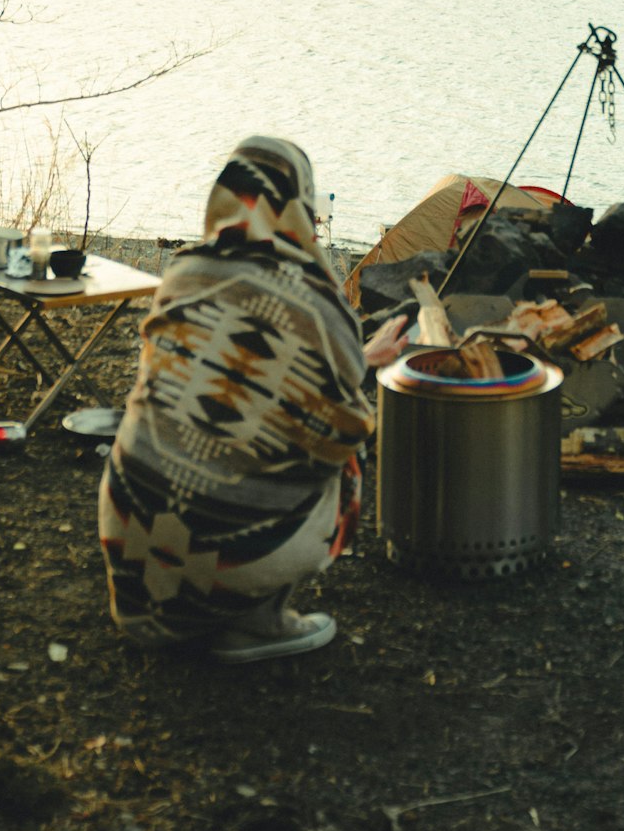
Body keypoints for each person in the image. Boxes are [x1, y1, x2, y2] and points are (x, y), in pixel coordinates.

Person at [98, 136, 408, 663]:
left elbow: (243, 367)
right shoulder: (316, 297)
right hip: (221, 553)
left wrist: (356, 359)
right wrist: (360, 369)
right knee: (347, 457)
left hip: (131, 531)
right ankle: (258, 620)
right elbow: (337, 420)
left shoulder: (184, 271)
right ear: (300, 206)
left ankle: (170, 604)